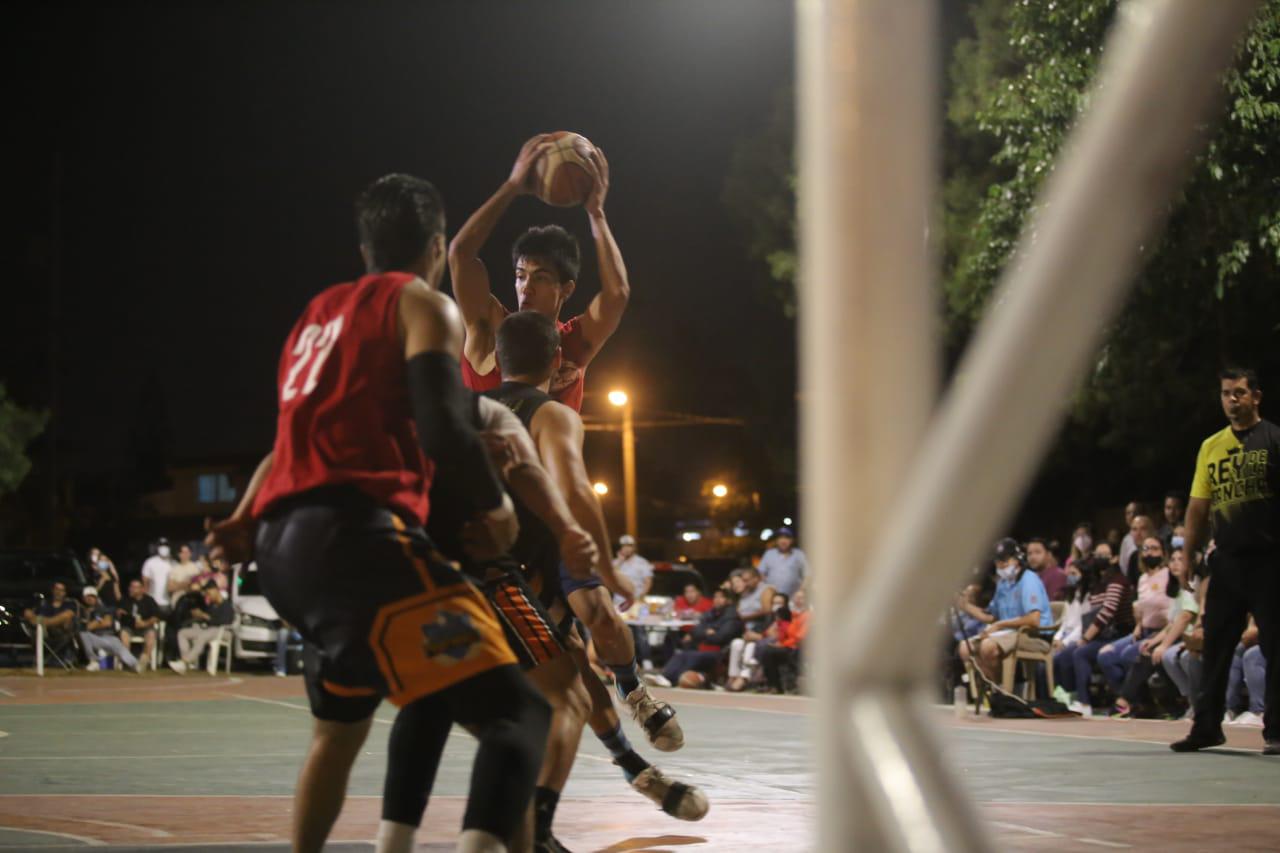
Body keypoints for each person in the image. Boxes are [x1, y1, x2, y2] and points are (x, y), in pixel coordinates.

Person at [206, 173, 551, 853]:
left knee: (342, 727)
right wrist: (497, 507)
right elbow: (445, 428)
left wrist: (245, 516)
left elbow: (285, 443)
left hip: (284, 553)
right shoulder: (423, 304)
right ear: (435, 246)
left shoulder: (315, 316)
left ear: (365, 247)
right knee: (520, 711)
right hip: (358, 546)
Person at [482, 311, 684, 754]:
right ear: (557, 358)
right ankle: (631, 763)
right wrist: (611, 570)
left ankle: (635, 694)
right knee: (575, 654)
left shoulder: (474, 409)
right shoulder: (552, 413)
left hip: (533, 545)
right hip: (521, 553)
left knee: (594, 615)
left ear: (497, 357)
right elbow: (576, 490)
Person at [452, 136, 628, 412]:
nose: (526, 287)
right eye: (521, 275)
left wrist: (596, 214)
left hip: (549, 456)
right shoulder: (489, 326)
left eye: (541, 277)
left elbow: (617, 294)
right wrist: (510, 188)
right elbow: (460, 254)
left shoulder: (573, 344)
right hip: (481, 456)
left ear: (566, 289)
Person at [1172, 367, 1280, 755]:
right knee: (1214, 646)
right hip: (1228, 563)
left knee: (1275, 646)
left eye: (1238, 393)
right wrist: (1188, 555)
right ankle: (1206, 727)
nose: (1231, 400)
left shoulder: (1274, 439)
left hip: (1270, 561)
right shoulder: (1210, 447)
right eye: (1225, 394)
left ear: (1255, 397)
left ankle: (1276, 730)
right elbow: (1198, 508)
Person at [955, 538, 1053, 687]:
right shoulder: (1003, 584)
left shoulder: (1029, 580)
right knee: (965, 648)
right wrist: (964, 605)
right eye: (998, 562)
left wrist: (1000, 625)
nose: (1000, 566)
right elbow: (990, 616)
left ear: (1018, 559)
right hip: (1008, 633)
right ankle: (997, 690)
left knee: (988, 647)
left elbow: (1034, 620)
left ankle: (1006, 690)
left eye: (1005, 561)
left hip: (1034, 635)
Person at [1113, 546, 1197, 718]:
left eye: (1180, 559)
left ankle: (1128, 700)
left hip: (1189, 637)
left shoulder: (1191, 585)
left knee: (1156, 655)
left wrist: (1163, 645)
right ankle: (1169, 705)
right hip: (1176, 635)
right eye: (1172, 559)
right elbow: (1171, 624)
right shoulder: (1177, 589)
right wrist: (1155, 641)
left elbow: (1185, 618)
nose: (1175, 564)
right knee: (1147, 650)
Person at [1098, 536, 1171, 713]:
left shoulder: (1169, 575)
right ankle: (1137, 701)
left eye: (1154, 548)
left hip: (1161, 631)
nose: (1150, 552)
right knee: (1105, 655)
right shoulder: (1142, 579)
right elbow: (1140, 607)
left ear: (1163, 552)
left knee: (1128, 655)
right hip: (1143, 629)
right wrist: (1138, 625)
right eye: (1146, 549)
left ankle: (1127, 701)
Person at [649, 588, 743, 687]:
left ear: (729, 600)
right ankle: (665, 677)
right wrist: (708, 632)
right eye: (716, 597)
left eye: (721, 597)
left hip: (719, 652)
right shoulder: (710, 613)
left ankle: (672, 680)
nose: (717, 599)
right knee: (681, 655)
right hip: (702, 648)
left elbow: (720, 638)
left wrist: (705, 634)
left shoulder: (732, 617)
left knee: (691, 656)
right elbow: (695, 631)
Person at [168, 583, 234, 674]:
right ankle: (185, 661)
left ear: (216, 591)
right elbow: (206, 620)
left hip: (223, 631)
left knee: (203, 635)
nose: (208, 596)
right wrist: (198, 616)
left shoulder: (227, 606)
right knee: (183, 633)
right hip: (208, 630)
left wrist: (206, 617)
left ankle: (184, 662)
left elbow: (225, 622)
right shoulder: (211, 605)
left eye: (209, 593)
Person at [78, 586, 140, 672]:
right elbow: (83, 627)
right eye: (87, 596)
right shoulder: (81, 611)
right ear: (83, 598)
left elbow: (107, 622)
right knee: (83, 634)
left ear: (96, 597)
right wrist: (96, 623)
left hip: (109, 637)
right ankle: (94, 661)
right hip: (95, 638)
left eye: (92, 596)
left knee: (119, 648)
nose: (90, 599)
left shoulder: (102, 609)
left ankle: (135, 664)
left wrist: (94, 623)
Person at [118, 578, 161, 671]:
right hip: (129, 627)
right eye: (131, 587)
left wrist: (144, 623)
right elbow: (121, 613)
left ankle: (143, 663)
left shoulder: (149, 600)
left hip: (145, 626)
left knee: (151, 635)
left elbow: (156, 616)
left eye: (135, 587)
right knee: (124, 634)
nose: (132, 589)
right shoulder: (125, 599)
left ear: (141, 589)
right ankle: (129, 662)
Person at [758, 527, 807, 597]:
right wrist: (766, 588)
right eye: (780, 538)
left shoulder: (799, 554)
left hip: (793, 598)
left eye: (787, 538)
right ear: (776, 540)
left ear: (792, 540)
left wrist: (801, 591)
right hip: (773, 598)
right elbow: (760, 573)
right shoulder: (769, 554)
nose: (783, 541)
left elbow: (808, 575)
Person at [141, 538, 174, 614]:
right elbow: (145, 583)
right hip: (153, 602)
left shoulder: (173, 563)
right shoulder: (149, 562)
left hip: (169, 602)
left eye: (166, 545)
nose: (163, 548)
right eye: (161, 545)